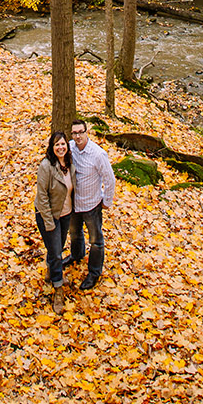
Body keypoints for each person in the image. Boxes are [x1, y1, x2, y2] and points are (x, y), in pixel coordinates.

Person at [65, 117, 117, 290]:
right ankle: (76, 255)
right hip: (74, 202)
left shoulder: (98, 154)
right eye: (75, 133)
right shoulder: (70, 148)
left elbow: (110, 179)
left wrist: (107, 201)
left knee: (96, 240)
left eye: (81, 132)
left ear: (86, 132)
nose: (78, 136)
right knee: (75, 232)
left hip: (92, 204)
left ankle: (94, 272)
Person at [34, 130, 75, 305]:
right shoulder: (46, 166)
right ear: (52, 147)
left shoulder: (70, 163)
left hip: (65, 213)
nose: (60, 147)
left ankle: (51, 271)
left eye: (63, 144)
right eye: (57, 144)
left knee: (56, 248)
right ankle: (58, 288)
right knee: (57, 252)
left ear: (67, 145)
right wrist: (49, 222)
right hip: (48, 215)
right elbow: (41, 196)